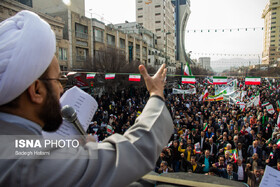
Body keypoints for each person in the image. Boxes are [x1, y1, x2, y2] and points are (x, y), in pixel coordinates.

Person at [0, 11, 173, 186]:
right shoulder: (26, 162)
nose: (62, 88)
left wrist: (71, 150)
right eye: (59, 80)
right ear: (36, 90)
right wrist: (156, 94)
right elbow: (134, 151)